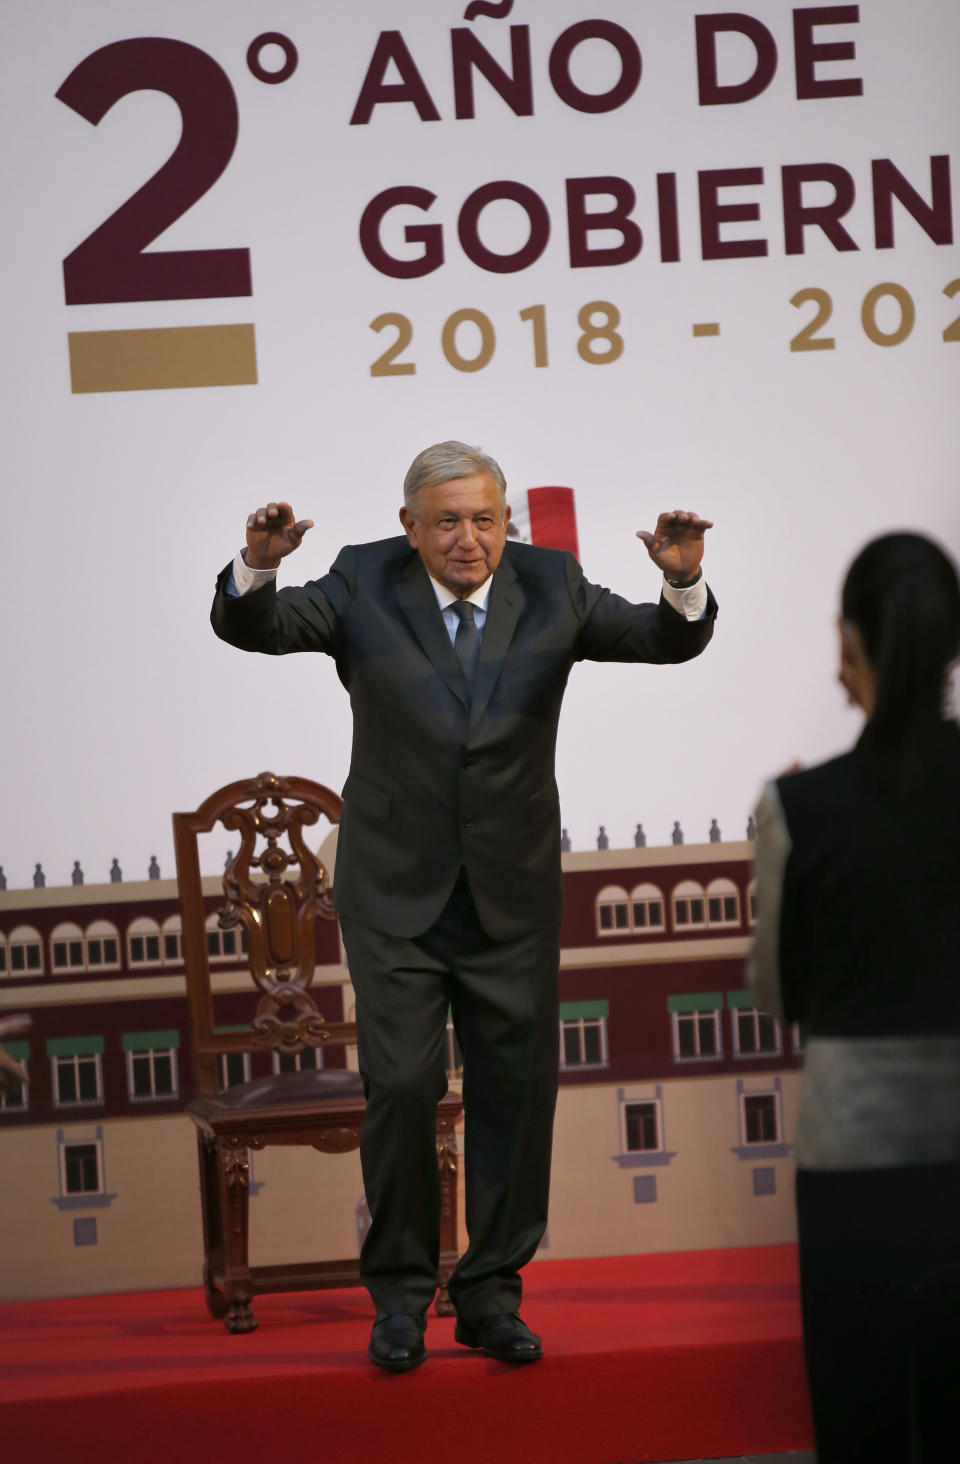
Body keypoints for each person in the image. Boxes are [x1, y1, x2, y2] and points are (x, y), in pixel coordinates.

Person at [212, 440, 716, 1371]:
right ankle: (400, 1299)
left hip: (510, 896)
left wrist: (683, 586)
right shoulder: (363, 582)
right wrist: (258, 568)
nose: (469, 539)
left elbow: (663, 639)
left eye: (485, 519)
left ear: (507, 522)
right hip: (396, 894)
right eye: (447, 522)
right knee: (401, 1090)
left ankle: (491, 1294)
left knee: (515, 1100)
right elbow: (258, 627)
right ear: (410, 528)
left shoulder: (553, 584)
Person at [748, 531, 960, 1462]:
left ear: (848, 644)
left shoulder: (801, 808)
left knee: (862, 1422)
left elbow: (779, 994)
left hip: (855, 1157)